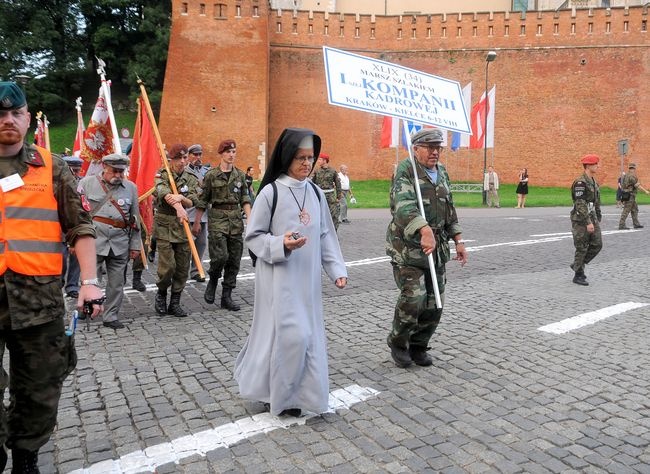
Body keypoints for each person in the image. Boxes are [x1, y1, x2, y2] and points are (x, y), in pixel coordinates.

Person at [0, 81, 103, 472]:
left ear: (27, 119)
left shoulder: (51, 166)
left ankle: (27, 456)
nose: (8, 120)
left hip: (38, 302)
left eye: (15, 113)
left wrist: (90, 282)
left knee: (40, 388)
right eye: (0, 114)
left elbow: (80, 227)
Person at [235, 128, 347, 417]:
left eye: (311, 158)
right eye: (301, 158)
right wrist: (280, 243)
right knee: (290, 335)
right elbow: (253, 236)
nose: (307, 164)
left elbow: (325, 235)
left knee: (307, 336)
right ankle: (278, 396)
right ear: (287, 157)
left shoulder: (315, 193)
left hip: (306, 281)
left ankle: (297, 396)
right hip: (278, 277)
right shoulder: (271, 193)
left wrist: (336, 269)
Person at [385, 128, 468, 368]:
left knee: (435, 302)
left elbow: (448, 210)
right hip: (408, 249)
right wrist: (424, 229)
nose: (434, 152)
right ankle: (399, 342)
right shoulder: (406, 170)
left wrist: (458, 240)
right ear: (416, 148)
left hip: (437, 250)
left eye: (438, 148)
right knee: (415, 298)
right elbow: (403, 207)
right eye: (429, 147)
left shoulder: (442, 172)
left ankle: (419, 344)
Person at [78, 153, 141, 329]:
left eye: (122, 171)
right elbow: (78, 215)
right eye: (115, 171)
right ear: (104, 167)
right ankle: (87, 307)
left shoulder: (131, 188)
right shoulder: (86, 183)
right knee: (90, 278)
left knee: (117, 283)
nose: (119, 175)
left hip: (120, 242)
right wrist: (74, 242)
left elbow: (136, 219)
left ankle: (111, 315)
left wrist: (135, 245)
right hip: (93, 241)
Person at [196, 140, 251, 311]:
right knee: (220, 256)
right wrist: (197, 222)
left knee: (234, 260)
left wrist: (250, 219)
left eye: (233, 151)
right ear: (221, 153)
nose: (231, 155)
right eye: (228, 152)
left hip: (235, 220)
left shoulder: (240, 175)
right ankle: (213, 280)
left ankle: (226, 296)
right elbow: (203, 200)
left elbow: (245, 198)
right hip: (218, 220)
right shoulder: (212, 175)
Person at [153, 144, 202, 318]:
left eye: (185, 158)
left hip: (182, 226)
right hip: (165, 225)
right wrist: (177, 205)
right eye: (179, 158)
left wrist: (182, 199)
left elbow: (195, 199)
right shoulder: (163, 174)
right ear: (171, 160)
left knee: (182, 268)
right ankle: (161, 294)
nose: (182, 162)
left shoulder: (191, 177)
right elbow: (162, 192)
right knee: (167, 267)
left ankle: (175, 302)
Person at [570, 154, 603, 286]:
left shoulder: (593, 181)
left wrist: (598, 216)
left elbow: (596, 201)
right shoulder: (580, 182)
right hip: (581, 218)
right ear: (588, 166)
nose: (598, 166)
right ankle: (578, 275)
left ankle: (577, 264)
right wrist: (588, 222)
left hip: (592, 215)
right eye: (596, 164)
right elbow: (580, 203)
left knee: (597, 244)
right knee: (581, 247)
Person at [185, 144, 210, 282]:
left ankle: (195, 271)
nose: (198, 157)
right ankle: (181, 270)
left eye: (200, 154)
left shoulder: (207, 172)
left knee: (201, 243)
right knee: (186, 245)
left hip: (203, 215)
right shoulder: (184, 171)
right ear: (189, 155)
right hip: (188, 214)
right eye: (195, 154)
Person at [62, 155, 85, 298]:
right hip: (59, 229)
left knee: (77, 259)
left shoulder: (83, 184)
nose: (76, 174)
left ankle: (72, 286)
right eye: (73, 171)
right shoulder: (56, 183)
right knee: (61, 260)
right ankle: (58, 282)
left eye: (78, 171)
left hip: (77, 227)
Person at [312, 153, 342, 231]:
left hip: (330, 197)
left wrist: (339, 196)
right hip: (320, 196)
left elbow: (338, 184)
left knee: (333, 215)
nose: (318, 161)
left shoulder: (332, 171)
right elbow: (312, 184)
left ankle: (333, 233)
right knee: (319, 215)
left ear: (325, 161)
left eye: (320, 159)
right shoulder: (317, 171)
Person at [618, 162, 650, 230]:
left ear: (629, 168)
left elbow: (623, 185)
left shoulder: (626, 175)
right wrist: (645, 191)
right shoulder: (632, 176)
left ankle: (636, 224)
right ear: (634, 168)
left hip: (627, 194)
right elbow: (637, 185)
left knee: (635, 209)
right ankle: (621, 225)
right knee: (626, 210)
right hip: (630, 195)